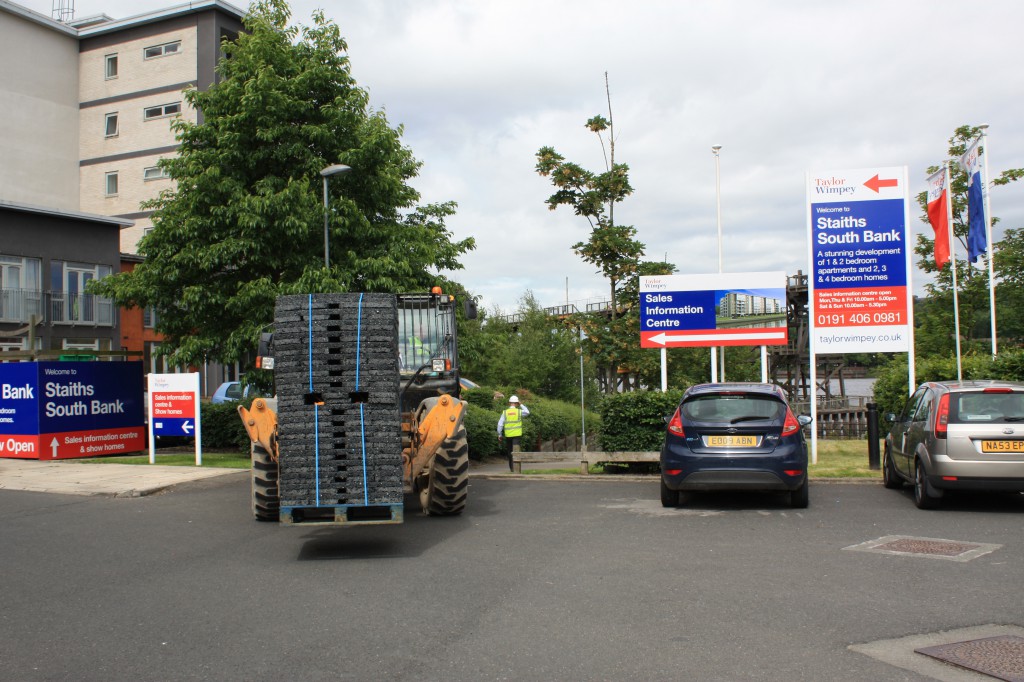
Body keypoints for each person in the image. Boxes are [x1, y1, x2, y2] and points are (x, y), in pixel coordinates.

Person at [497, 395, 530, 472]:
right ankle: (517, 469)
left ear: (509, 403)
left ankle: (512, 469)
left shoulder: (505, 412)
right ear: (517, 403)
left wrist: (499, 434)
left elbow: (500, 424)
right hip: (517, 435)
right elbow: (527, 412)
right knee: (516, 452)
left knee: (510, 452)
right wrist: (521, 404)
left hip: (508, 435)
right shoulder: (519, 412)